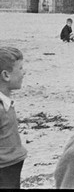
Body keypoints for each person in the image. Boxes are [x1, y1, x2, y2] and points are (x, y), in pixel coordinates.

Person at [0, 47, 27, 189]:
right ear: (6, 75)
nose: (24, 72)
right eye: (20, 68)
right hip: (4, 171)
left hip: (12, 167)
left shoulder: (6, 102)